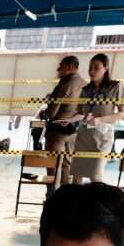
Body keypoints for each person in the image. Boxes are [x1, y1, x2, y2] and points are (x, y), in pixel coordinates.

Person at [66, 54, 124, 185]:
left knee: (96, 177)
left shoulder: (115, 87)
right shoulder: (86, 90)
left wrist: (100, 120)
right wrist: (68, 120)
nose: (92, 71)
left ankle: (97, 205)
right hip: (84, 136)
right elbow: (81, 113)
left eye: (96, 67)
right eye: (90, 68)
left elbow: (123, 113)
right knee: (76, 178)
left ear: (105, 68)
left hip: (102, 137)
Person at [42, 55, 86, 188]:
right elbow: (83, 112)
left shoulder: (64, 84)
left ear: (69, 67)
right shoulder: (85, 84)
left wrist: (45, 110)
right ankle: (65, 197)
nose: (58, 69)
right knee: (67, 165)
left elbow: (52, 112)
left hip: (57, 132)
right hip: (74, 132)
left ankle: (52, 198)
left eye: (60, 66)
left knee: (53, 167)